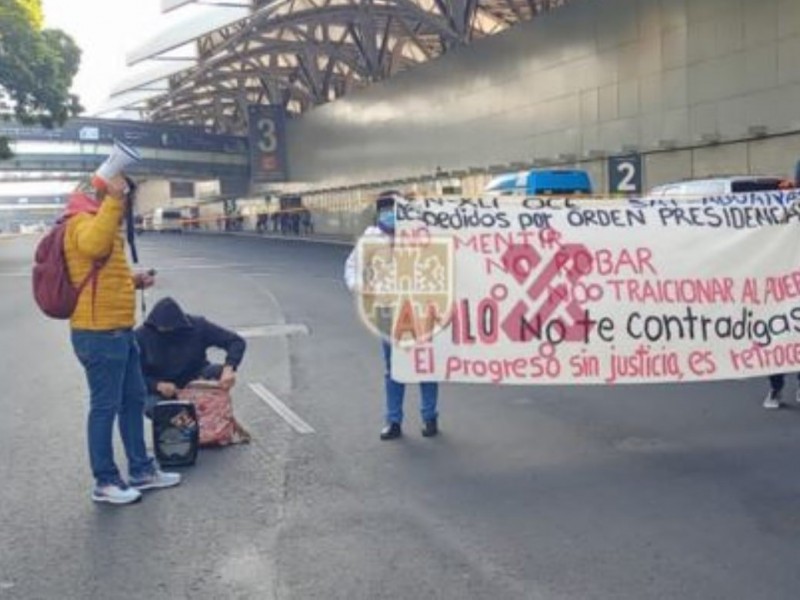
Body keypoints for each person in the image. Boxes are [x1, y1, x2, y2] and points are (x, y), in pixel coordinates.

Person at [66, 175, 181, 505]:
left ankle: (141, 470)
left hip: (119, 330)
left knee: (132, 399)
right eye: (125, 197)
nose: (127, 204)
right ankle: (105, 481)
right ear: (105, 193)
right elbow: (93, 246)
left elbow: (99, 275)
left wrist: (132, 281)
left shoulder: (97, 220)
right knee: (105, 406)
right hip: (98, 333)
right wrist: (114, 201)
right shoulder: (81, 219)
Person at [344, 190, 439, 441]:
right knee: (393, 367)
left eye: (394, 211)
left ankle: (430, 416)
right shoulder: (372, 239)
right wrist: (361, 286)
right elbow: (352, 268)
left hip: (420, 309)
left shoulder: (423, 235)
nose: (391, 216)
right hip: (388, 310)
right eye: (386, 211)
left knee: (425, 363)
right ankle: (393, 420)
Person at [135, 297, 246, 416]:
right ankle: (177, 424)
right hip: (159, 388)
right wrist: (156, 385)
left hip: (195, 379)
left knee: (217, 371)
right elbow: (134, 374)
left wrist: (229, 368)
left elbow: (235, 341)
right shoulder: (141, 336)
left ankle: (211, 416)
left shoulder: (198, 326)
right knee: (154, 407)